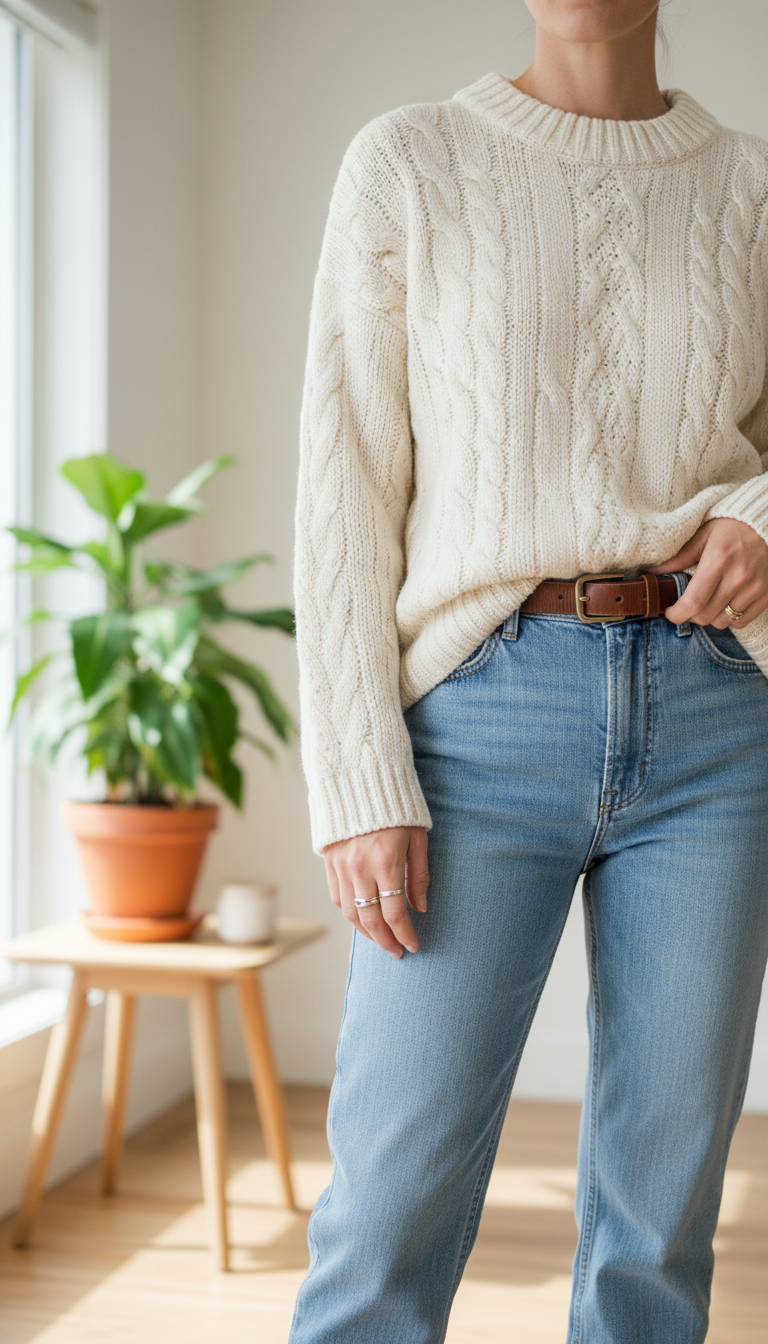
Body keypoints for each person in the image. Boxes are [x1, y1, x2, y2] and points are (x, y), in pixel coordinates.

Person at [290, 1, 768, 1339]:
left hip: (719, 718)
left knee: (658, 1237)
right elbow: (344, 486)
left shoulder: (751, 187)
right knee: (387, 1218)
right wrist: (359, 780)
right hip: (474, 721)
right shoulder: (410, 161)